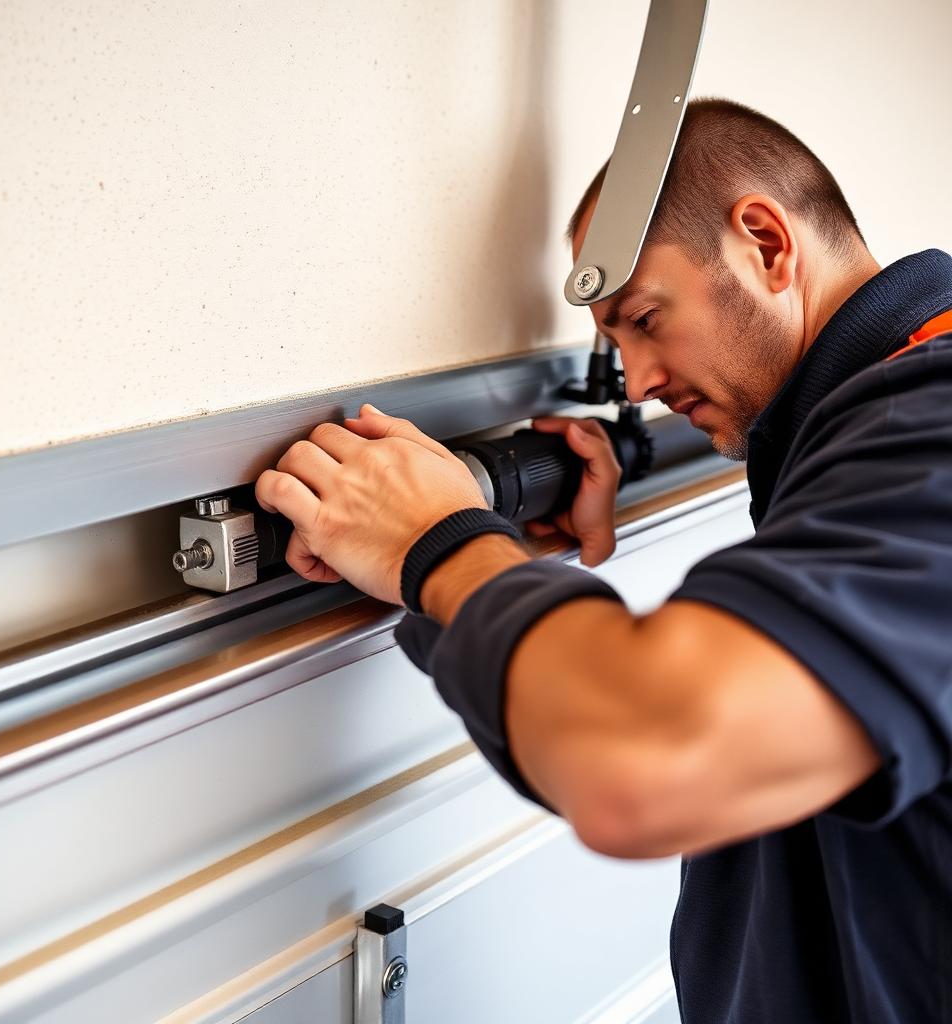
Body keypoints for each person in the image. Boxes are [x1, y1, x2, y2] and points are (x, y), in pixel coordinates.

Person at [255, 99, 952, 1022]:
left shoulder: (931, 432)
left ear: (767, 243)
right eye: (614, 346)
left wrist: (444, 547)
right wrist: (538, 526)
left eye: (646, 318)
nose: (642, 383)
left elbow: (645, 761)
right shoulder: (855, 436)